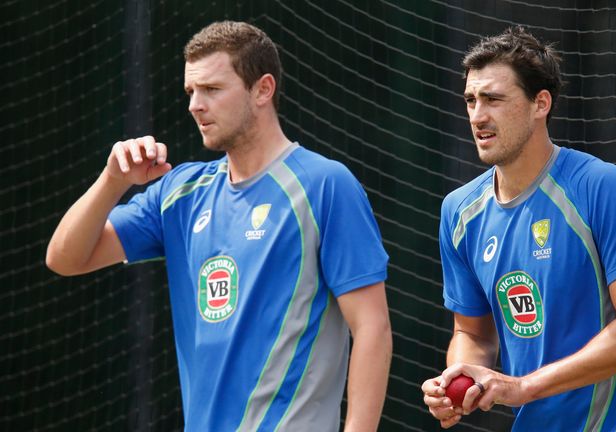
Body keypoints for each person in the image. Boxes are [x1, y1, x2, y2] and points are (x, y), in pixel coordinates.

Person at [46, 21, 391, 432]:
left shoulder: (324, 184)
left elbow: (371, 327)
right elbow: (66, 258)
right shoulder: (180, 192)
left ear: (263, 89)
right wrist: (112, 181)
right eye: (190, 91)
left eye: (211, 89)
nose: (195, 105)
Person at [421, 26, 616, 431]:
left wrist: (524, 386)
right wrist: (461, 379)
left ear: (540, 103)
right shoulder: (459, 212)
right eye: (470, 100)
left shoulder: (601, 187)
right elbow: (473, 333)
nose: (478, 116)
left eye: (493, 99)